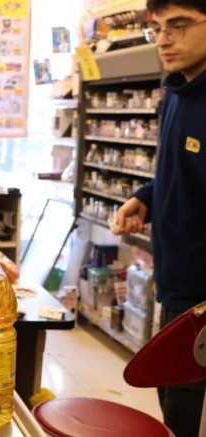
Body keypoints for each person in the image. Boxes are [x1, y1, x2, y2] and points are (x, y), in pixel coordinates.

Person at [114, 0, 206, 435]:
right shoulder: (176, 92)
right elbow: (178, 173)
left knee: (188, 416)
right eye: (158, 28)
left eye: (179, 25)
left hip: (201, 301)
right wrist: (145, 199)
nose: (164, 39)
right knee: (173, 406)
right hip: (175, 284)